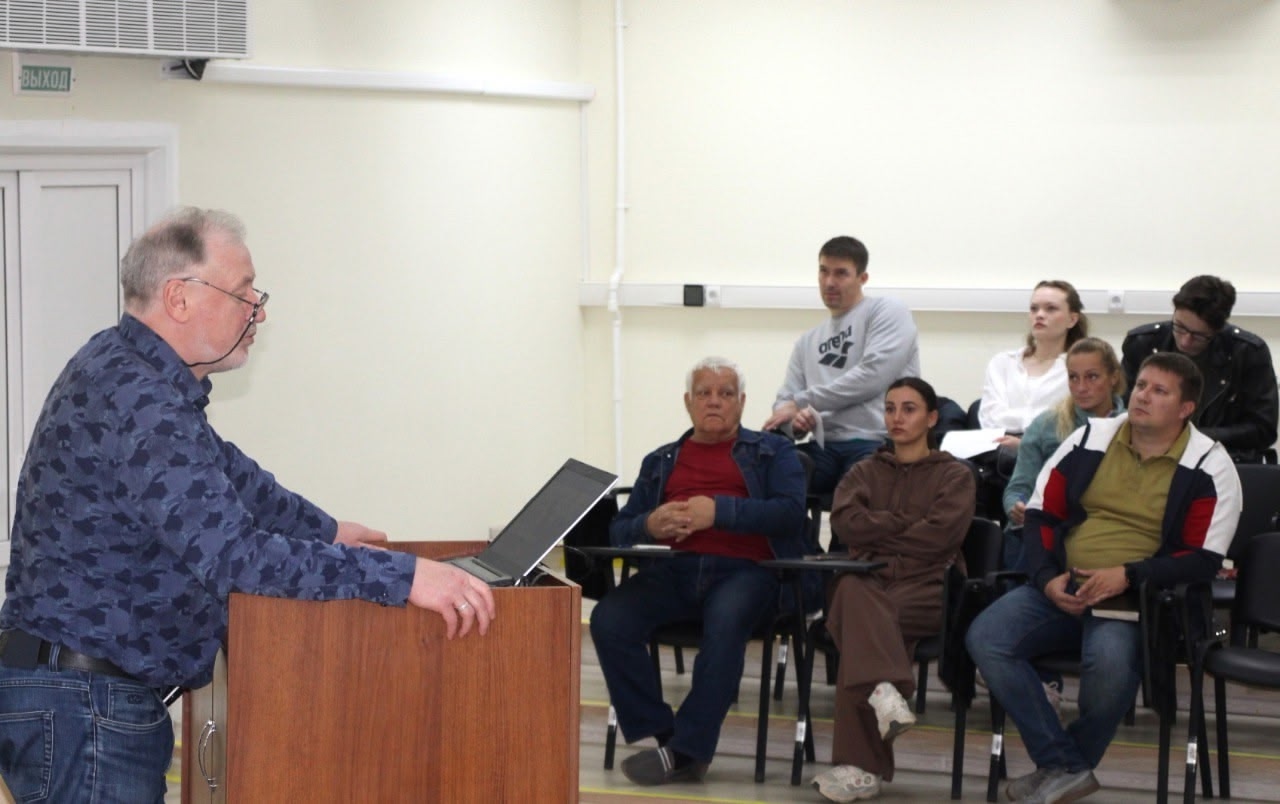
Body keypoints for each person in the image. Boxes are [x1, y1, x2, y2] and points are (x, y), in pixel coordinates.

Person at [0, 208, 496, 802]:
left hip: (78, 697)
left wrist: (328, 531)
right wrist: (403, 576)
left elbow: (233, 477)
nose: (258, 311)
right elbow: (235, 557)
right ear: (179, 297)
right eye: (243, 293)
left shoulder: (126, 367)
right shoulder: (140, 400)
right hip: (86, 710)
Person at [966, 353, 1241, 804]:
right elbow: (1040, 514)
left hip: (1137, 599)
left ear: (1186, 408)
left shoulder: (1210, 464)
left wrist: (1128, 576)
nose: (1142, 396)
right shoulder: (1091, 438)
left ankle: (1061, 766)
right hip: (1064, 583)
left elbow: (1202, 559)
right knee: (987, 637)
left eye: (1159, 391)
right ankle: (1065, 765)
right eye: (1141, 386)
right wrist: (1046, 577)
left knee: (1110, 668)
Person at [591, 356, 809, 785]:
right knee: (608, 619)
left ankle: (687, 750)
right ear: (688, 402)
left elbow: (790, 514)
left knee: (726, 622)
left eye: (725, 393)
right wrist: (649, 524)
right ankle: (670, 737)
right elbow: (620, 529)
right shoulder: (661, 460)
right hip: (675, 570)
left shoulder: (773, 451)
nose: (714, 401)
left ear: (741, 402)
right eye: (704, 393)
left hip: (748, 571)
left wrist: (721, 512)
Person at [810, 377, 975, 802]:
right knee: (850, 589)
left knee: (859, 624)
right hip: (871, 581)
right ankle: (885, 692)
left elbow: (940, 537)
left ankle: (861, 769)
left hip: (928, 587)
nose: (896, 418)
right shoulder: (863, 471)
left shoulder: (955, 475)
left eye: (909, 409)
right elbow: (846, 525)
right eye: (890, 408)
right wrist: (906, 526)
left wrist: (880, 527)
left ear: (931, 418)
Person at [764, 235, 920, 495]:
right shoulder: (807, 341)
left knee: (856, 493)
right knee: (772, 472)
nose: (829, 282)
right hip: (824, 446)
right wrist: (795, 424)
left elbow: (872, 376)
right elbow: (785, 402)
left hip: (876, 441)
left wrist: (803, 402)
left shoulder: (886, 311)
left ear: (862, 278)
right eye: (823, 271)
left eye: (841, 273)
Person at [1121, 275, 1278, 463]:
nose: (1185, 341)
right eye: (1179, 327)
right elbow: (1122, 410)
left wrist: (1192, 437)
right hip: (1149, 454)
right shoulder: (1143, 343)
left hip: (1221, 459)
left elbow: (1263, 429)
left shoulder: (1247, 352)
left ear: (1218, 330)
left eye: (1198, 335)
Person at [1002, 338, 1126, 571]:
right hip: (1043, 528)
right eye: (1073, 377)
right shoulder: (1046, 425)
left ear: (1113, 377)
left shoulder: (1131, 428)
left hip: (1104, 531)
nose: (1081, 387)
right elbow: (1019, 487)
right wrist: (1016, 506)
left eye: (1092, 377)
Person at [979, 280, 1089, 449]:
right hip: (998, 447)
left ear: (1072, 319)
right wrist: (1042, 420)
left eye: (1051, 308)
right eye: (1034, 309)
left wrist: (1026, 443)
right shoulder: (1002, 363)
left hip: (1053, 450)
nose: (1039, 315)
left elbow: (1069, 423)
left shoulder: (1079, 369)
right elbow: (990, 418)